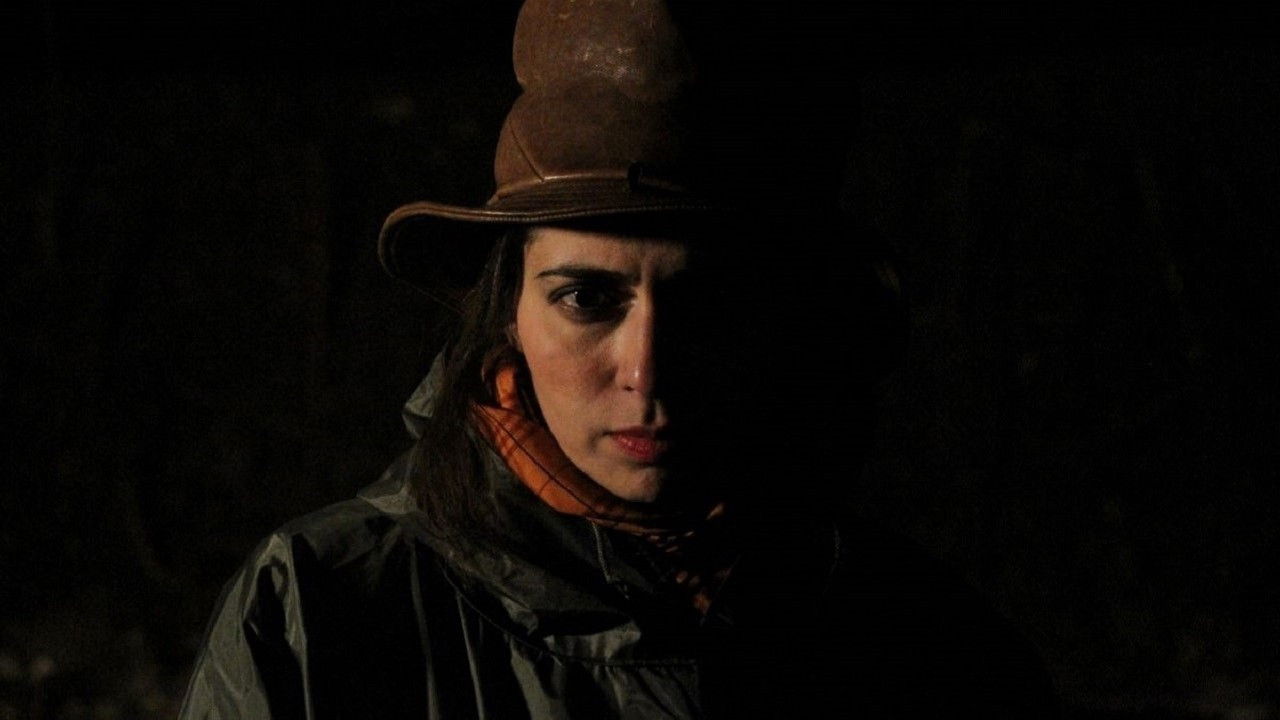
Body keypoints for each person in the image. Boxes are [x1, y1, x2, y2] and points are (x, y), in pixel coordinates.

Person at [179, 0, 1061, 717]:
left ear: (780, 317)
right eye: (586, 299)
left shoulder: (921, 642)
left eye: (707, 302)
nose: (648, 371)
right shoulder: (323, 611)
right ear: (509, 316)